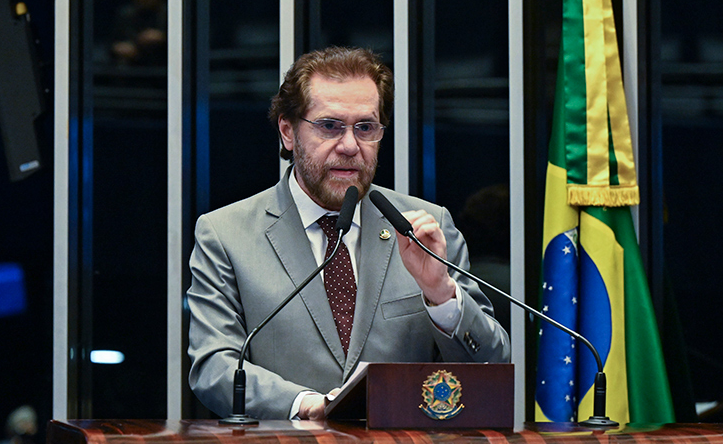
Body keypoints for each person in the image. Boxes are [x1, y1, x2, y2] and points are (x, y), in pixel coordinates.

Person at [187, 46, 510, 421]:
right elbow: (214, 367)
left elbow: (492, 364)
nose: (349, 146)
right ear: (288, 131)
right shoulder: (226, 234)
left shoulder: (425, 227)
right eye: (329, 126)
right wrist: (310, 405)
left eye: (365, 127)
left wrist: (441, 296)